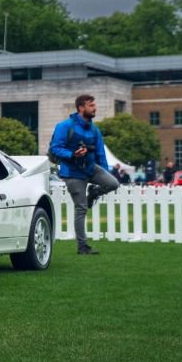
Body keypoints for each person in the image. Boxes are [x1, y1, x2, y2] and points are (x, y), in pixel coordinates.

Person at [50, 94, 119, 256]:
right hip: (72, 173)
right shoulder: (65, 126)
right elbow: (55, 148)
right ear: (81, 108)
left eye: (94, 105)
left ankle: (94, 192)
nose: (95, 108)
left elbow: (101, 153)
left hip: (90, 168)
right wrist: (73, 154)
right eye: (91, 105)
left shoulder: (95, 129)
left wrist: (103, 175)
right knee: (81, 209)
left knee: (113, 183)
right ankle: (82, 247)